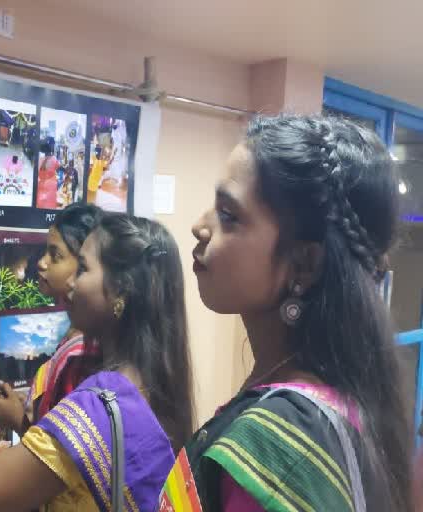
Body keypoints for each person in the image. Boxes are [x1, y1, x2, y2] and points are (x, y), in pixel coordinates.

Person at [163, 114, 412, 511]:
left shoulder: (282, 445)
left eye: (229, 216)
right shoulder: (335, 402)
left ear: (305, 264)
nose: (200, 226)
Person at [0, 213, 194, 511]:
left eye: (82, 268)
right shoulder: (151, 386)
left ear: (121, 291)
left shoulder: (103, 405)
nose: (71, 283)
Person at [0, 203, 103, 436]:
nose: (41, 262)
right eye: (45, 252)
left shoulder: (83, 354)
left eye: (56, 255)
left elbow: (63, 456)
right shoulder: (75, 333)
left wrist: (19, 422)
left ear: (84, 263)